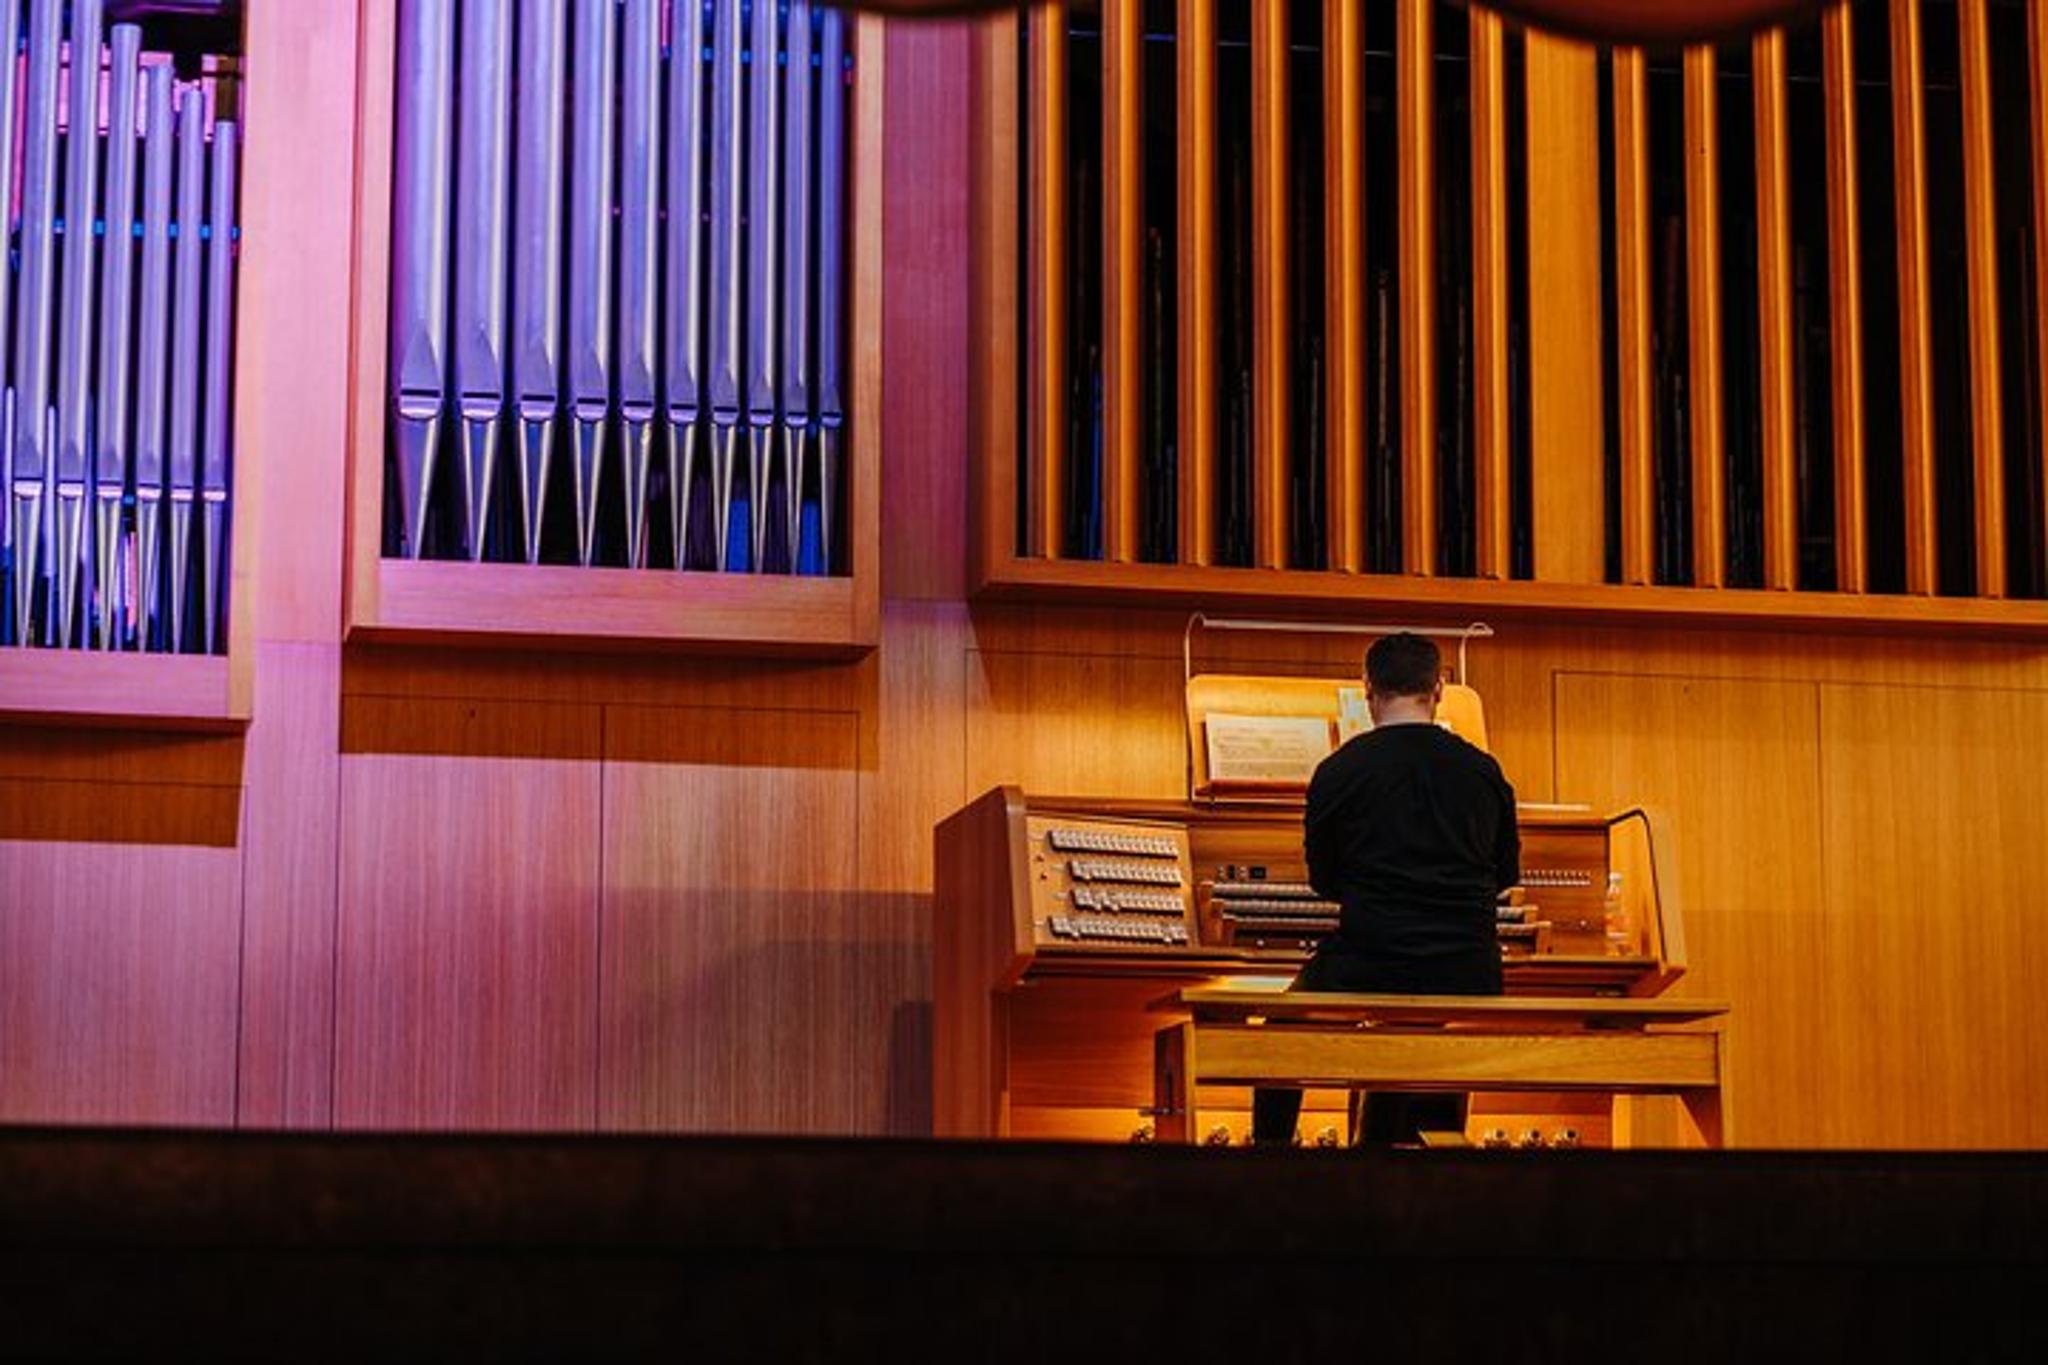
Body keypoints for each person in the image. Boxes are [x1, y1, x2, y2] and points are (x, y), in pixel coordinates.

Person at [1250, 632, 1520, 1147]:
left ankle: (1270, 1167)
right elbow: (1504, 874)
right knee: (1418, 1029)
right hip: (1468, 970)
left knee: (1279, 1029)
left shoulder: (1339, 770)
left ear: (1367, 689)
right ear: (1438, 688)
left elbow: (1323, 882)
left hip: (1371, 960)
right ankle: (1389, 1156)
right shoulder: (1484, 771)